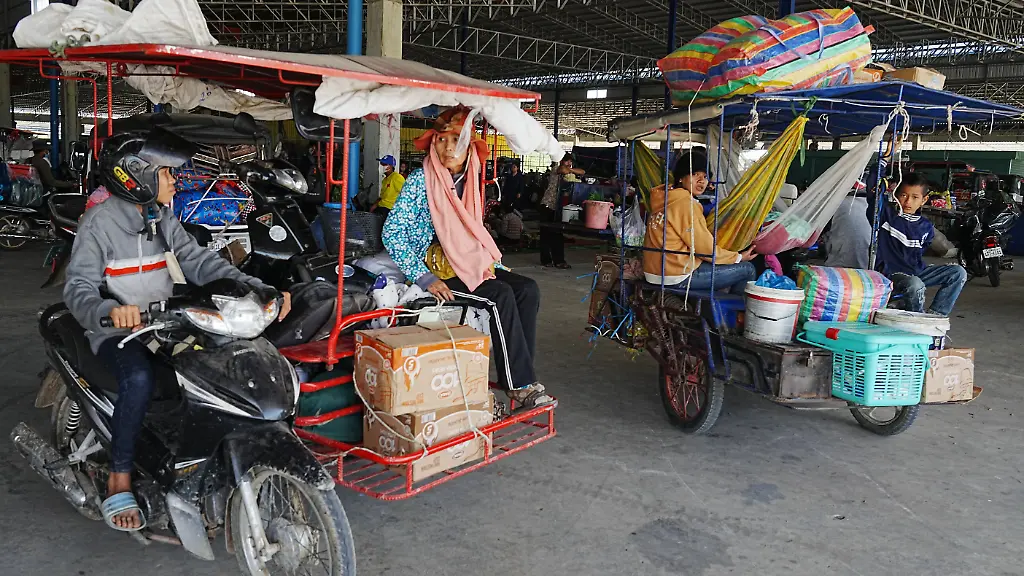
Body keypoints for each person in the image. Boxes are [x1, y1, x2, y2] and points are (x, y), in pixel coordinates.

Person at [63, 129, 291, 532]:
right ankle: (119, 476)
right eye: (167, 172)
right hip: (117, 331)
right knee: (138, 378)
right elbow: (77, 287)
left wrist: (254, 287)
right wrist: (109, 310)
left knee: (212, 367)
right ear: (136, 176)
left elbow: (200, 261)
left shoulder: (161, 217)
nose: (175, 180)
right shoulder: (98, 224)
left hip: (164, 323)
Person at [382, 106, 553, 409]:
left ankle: (518, 372)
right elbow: (392, 233)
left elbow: (471, 235)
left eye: (456, 141)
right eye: (442, 140)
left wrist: (493, 264)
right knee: (498, 295)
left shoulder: (472, 177)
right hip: (436, 269)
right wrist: (425, 278)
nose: (449, 148)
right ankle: (519, 386)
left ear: (469, 147)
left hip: (467, 263)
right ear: (433, 143)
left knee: (527, 289)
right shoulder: (422, 179)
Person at [643, 151, 757, 294]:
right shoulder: (686, 203)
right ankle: (735, 315)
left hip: (652, 272)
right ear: (681, 178)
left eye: (704, 176)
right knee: (747, 269)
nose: (701, 181)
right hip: (676, 275)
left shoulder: (664, 198)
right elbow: (705, 250)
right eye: (695, 174)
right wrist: (738, 257)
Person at [876, 172, 966, 316]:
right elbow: (873, 190)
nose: (908, 202)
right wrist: (885, 160)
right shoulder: (885, 216)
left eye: (915, 197)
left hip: (916, 272)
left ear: (924, 200)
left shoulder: (926, 226)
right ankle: (916, 318)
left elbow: (921, 251)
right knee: (915, 285)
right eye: (903, 195)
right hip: (891, 275)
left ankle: (935, 315)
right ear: (896, 195)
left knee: (958, 273)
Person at [538, 153, 583, 269]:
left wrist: (571, 169)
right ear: (561, 161)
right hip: (547, 205)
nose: (569, 164)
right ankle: (546, 260)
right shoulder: (556, 169)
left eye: (570, 162)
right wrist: (569, 169)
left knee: (557, 234)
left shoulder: (568, 171)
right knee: (545, 235)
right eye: (567, 161)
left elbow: (582, 172)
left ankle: (559, 260)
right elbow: (563, 170)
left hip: (557, 208)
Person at [372, 154, 405, 219]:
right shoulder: (385, 180)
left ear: (391, 166)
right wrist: (374, 205)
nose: (382, 166)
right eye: (381, 164)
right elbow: (382, 197)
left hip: (389, 209)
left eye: (384, 164)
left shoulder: (397, 177)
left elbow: (405, 193)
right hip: (381, 207)